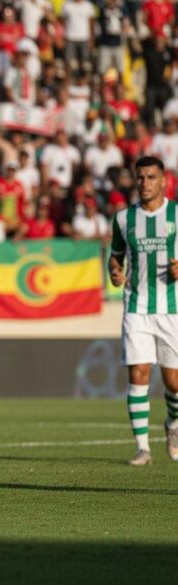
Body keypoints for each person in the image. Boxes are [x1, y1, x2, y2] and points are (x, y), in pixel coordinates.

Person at [108, 156, 178, 466]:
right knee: (139, 372)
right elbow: (115, 257)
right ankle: (143, 449)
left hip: (171, 308)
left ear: (164, 180)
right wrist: (114, 272)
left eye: (151, 177)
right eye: (140, 178)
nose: (145, 183)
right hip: (135, 306)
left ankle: (173, 424)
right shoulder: (123, 219)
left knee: (174, 382)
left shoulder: (177, 215)